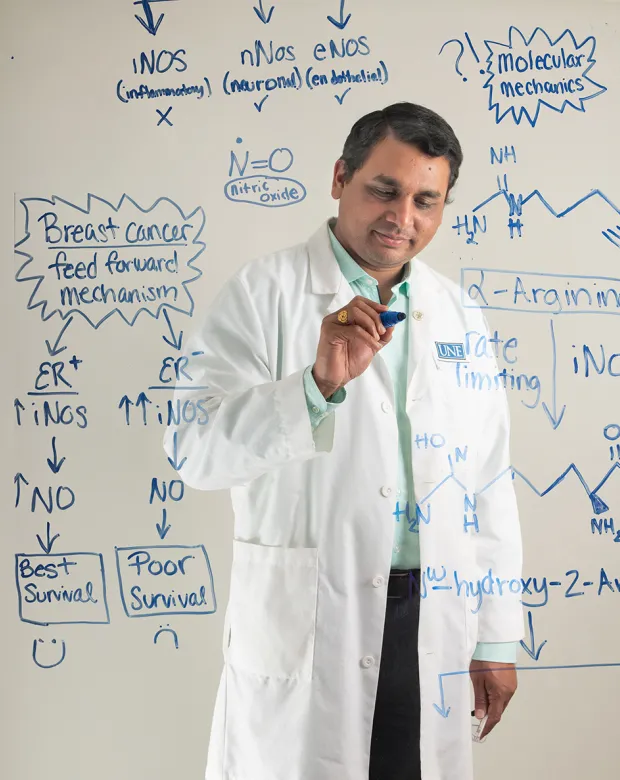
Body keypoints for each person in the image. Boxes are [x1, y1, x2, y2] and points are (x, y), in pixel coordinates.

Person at [164, 102, 524, 780]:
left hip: (433, 618)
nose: (402, 217)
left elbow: (489, 478)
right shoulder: (264, 293)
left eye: (426, 200)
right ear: (340, 177)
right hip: (314, 619)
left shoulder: (457, 312)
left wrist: (497, 636)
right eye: (383, 190)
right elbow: (193, 449)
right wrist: (313, 387)